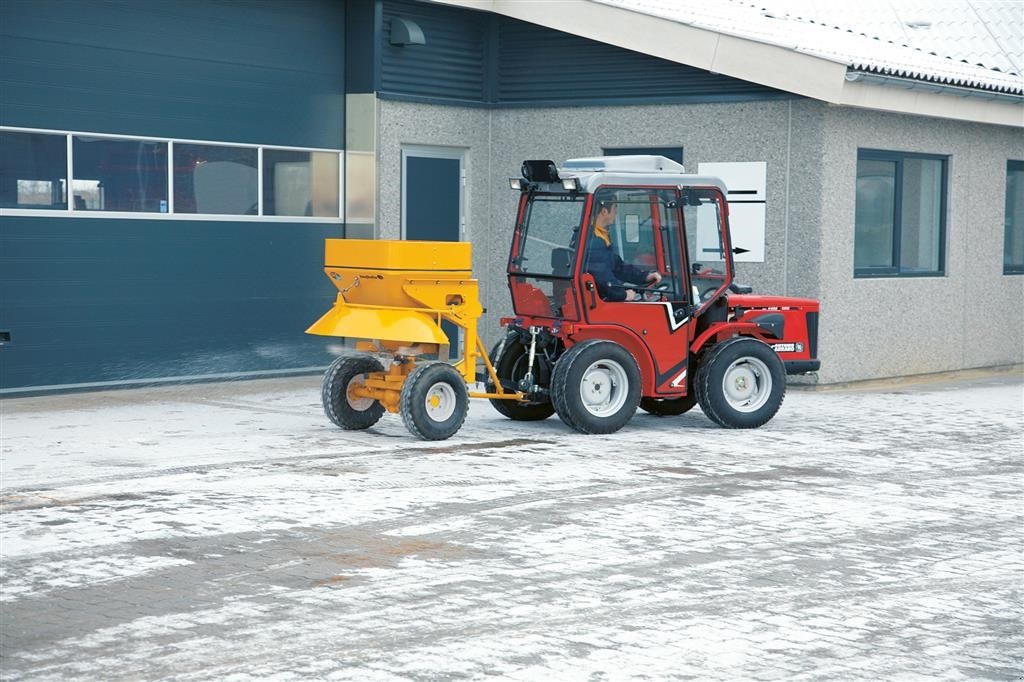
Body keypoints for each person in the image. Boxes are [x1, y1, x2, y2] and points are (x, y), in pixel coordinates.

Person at [583, 198, 662, 301]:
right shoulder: (593, 241)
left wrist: (644, 276)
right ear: (604, 211)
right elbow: (602, 277)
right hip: (599, 301)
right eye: (615, 208)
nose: (616, 213)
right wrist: (623, 295)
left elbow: (617, 266)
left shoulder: (598, 235)